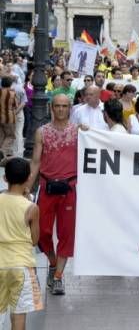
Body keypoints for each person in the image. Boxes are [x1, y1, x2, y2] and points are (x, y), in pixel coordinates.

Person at [29, 94, 79, 295]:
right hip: (47, 187)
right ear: (51, 107)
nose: (60, 110)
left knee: (67, 234)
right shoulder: (42, 132)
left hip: (70, 188)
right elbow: (35, 161)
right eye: (57, 106)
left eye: (64, 106)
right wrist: (26, 186)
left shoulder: (78, 132)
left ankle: (58, 277)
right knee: (42, 232)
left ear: (70, 108)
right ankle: (52, 263)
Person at [0, 158, 43, 329]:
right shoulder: (31, 208)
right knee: (18, 318)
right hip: (21, 266)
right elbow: (34, 240)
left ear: (5, 178)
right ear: (28, 179)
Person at [0, 77, 17, 164]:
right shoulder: (12, 93)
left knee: (2, 136)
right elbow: (15, 105)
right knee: (10, 136)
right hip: (9, 118)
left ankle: (5, 157)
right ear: (10, 84)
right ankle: (2, 151)